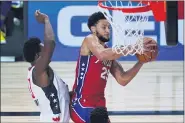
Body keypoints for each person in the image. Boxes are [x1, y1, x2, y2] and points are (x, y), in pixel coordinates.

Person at [70, 11, 157, 123]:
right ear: (93, 29)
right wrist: (133, 47)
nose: (107, 30)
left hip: (99, 105)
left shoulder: (108, 52)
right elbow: (102, 55)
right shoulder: (89, 39)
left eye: (108, 27)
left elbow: (122, 79)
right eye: (104, 27)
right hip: (82, 104)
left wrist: (141, 61)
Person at [23, 10, 70, 122]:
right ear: (37, 55)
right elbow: (51, 44)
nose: (46, 49)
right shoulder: (38, 70)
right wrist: (46, 21)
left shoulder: (38, 72)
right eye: (43, 48)